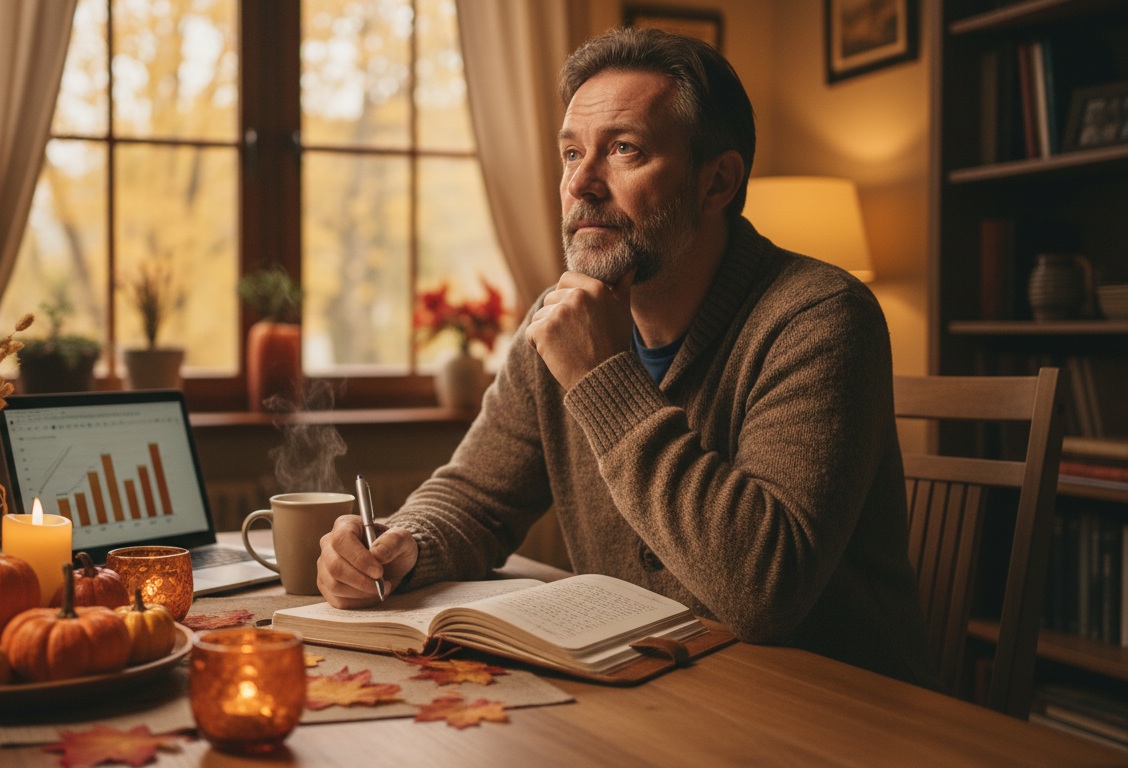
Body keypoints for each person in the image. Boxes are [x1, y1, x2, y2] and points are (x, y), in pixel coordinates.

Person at [317, 27, 934, 686]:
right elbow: (477, 497)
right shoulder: (559, 319)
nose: (581, 183)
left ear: (717, 181)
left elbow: (763, 592)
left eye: (624, 150)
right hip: (652, 689)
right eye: (571, 153)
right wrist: (402, 544)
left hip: (828, 711)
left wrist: (602, 377)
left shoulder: (820, 317)